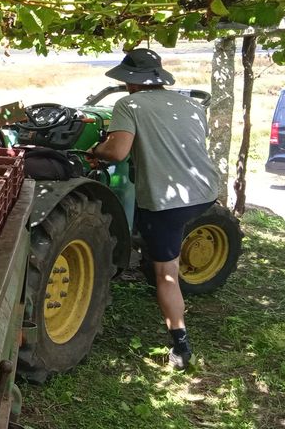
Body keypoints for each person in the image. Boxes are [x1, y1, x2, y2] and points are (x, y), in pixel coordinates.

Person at [89, 48, 218, 371]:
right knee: (167, 246)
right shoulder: (191, 104)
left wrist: (95, 149)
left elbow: (117, 152)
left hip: (166, 204)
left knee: (166, 275)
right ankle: (157, 259)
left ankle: (181, 346)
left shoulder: (128, 104)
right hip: (205, 193)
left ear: (130, 82)